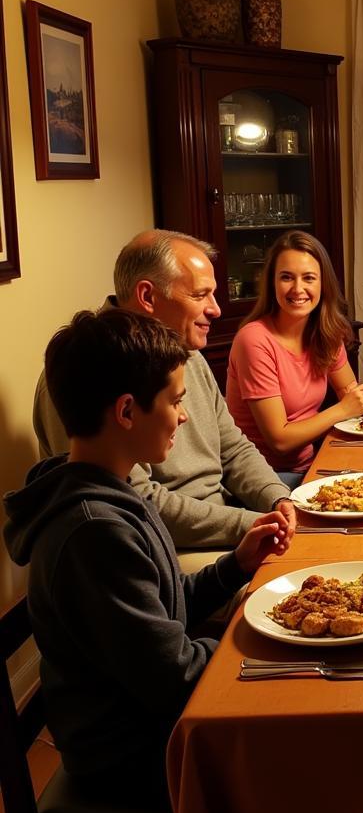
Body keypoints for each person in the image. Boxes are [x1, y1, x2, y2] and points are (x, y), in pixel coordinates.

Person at [5, 309, 289, 807]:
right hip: (129, 753)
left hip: (144, 717)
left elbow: (167, 603)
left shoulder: (112, 489)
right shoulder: (95, 531)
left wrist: (235, 565)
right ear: (127, 411)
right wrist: (273, 650)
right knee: (309, 761)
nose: (183, 415)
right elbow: (174, 676)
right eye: (176, 402)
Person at [33, 230, 297, 572]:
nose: (215, 309)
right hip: (163, 545)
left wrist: (278, 498)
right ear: (147, 296)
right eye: (200, 295)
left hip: (224, 518)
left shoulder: (184, 351)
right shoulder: (88, 369)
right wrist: (252, 523)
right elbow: (138, 504)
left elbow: (233, 449)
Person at [226, 230, 363, 487]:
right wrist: (344, 409)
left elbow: (350, 393)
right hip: (266, 478)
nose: (298, 289)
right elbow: (279, 440)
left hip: (313, 464)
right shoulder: (254, 340)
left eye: (308, 278)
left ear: (322, 284)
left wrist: (356, 403)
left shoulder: (325, 331)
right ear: (272, 283)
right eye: (286, 278)